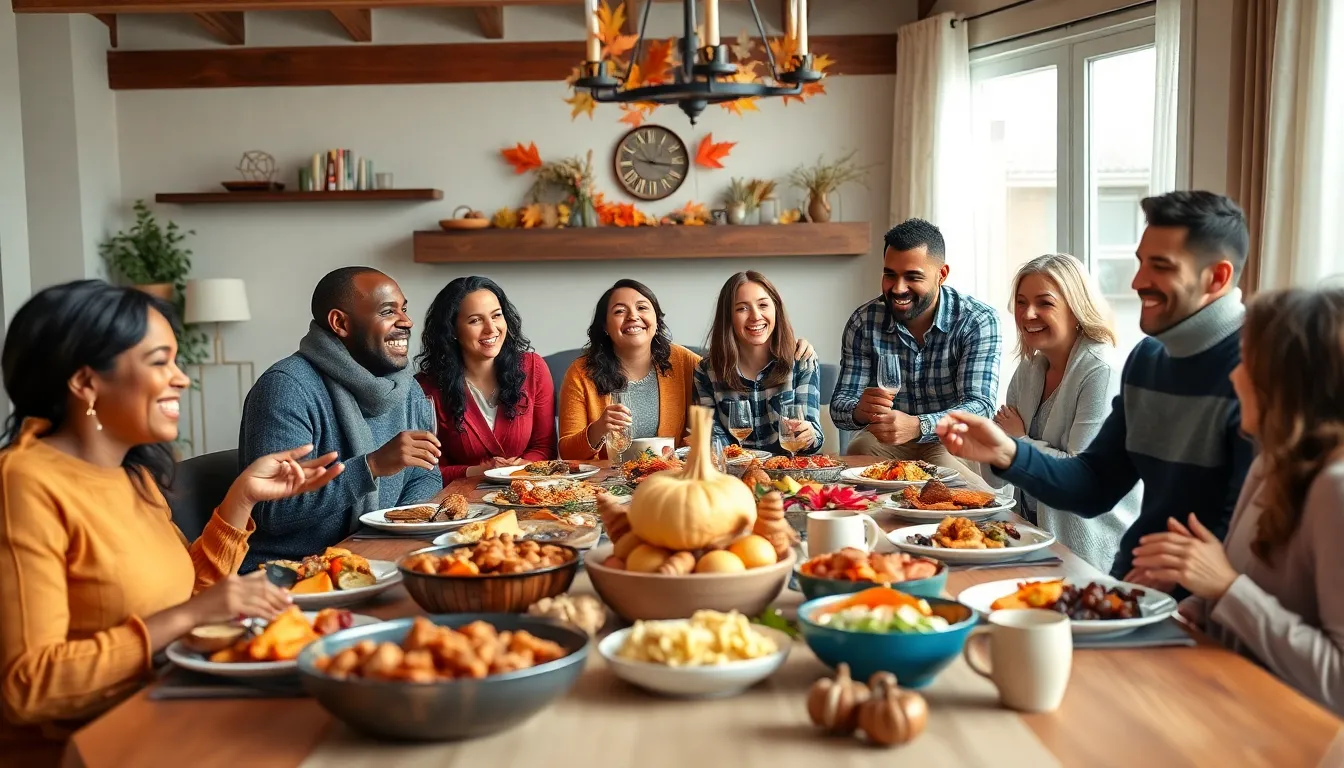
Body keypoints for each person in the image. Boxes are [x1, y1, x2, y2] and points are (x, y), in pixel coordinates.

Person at [0, 281, 341, 764]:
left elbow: (188, 596)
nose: (181, 378)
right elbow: (27, 686)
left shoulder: (130, 473)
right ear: (85, 383)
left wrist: (241, 498)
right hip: (89, 750)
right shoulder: (23, 483)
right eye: (160, 362)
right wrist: (186, 618)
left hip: (172, 706)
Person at [935, 191, 1255, 586]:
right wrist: (1006, 451)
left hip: (1205, 610)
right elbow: (1094, 486)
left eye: (1161, 266)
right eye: (1140, 263)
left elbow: (1256, 538)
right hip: (1134, 588)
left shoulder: (1260, 371)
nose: (1137, 282)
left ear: (1217, 277)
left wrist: (1209, 594)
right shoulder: (1148, 361)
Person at [1131, 288, 1344, 716]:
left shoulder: (1334, 490)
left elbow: (1337, 683)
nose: (1234, 377)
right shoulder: (1270, 460)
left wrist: (1225, 587)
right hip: (1233, 705)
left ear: (1288, 380)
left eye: (1247, 363)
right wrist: (1193, 608)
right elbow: (1247, 598)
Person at [238, 267, 443, 570]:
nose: (407, 321)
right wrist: (370, 467)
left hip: (375, 560)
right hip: (290, 575)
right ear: (340, 323)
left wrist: (392, 528)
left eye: (404, 309)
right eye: (388, 311)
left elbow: (426, 473)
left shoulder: (405, 386)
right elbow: (272, 510)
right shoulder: (287, 388)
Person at [986, 254, 1141, 573]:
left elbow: (1080, 475)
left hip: (1089, 547)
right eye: (1021, 302)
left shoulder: (1102, 372)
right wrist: (990, 444)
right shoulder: (1027, 370)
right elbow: (995, 469)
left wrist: (1017, 442)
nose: (1028, 314)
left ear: (1076, 310)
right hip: (1030, 533)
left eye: (1044, 303)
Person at [831, 218, 1001, 490]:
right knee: (859, 449)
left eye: (912, 276)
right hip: (884, 443)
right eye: (890, 275)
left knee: (968, 494)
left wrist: (919, 426)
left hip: (949, 441)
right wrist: (858, 410)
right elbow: (840, 405)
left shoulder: (977, 321)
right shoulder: (864, 321)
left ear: (942, 274)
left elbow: (979, 408)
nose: (898, 288)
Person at [416, 276, 556, 480]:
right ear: (453, 330)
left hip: (528, 493)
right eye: (475, 320)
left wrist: (522, 468)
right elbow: (425, 471)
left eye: (496, 316)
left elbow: (545, 447)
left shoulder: (533, 368)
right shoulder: (426, 388)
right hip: (462, 502)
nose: (491, 329)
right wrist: (477, 472)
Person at [557, 279, 701, 462]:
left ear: (656, 319)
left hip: (670, 480)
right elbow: (568, 454)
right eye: (619, 311)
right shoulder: (581, 373)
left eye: (642, 308)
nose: (633, 316)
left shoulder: (685, 362)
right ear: (605, 326)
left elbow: (715, 420)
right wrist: (598, 428)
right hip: (605, 483)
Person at [694, 271, 823, 455]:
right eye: (742, 308)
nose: (755, 316)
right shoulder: (706, 371)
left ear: (775, 309)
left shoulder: (801, 360)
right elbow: (714, 437)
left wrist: (808, 435)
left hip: (790, 473)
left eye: (763, 305)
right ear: (728, 317)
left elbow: (814, 433)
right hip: (734, 474)